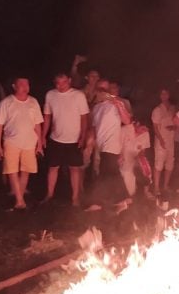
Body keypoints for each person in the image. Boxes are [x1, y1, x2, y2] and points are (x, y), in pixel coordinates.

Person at [0, 77, 43, 210]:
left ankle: (19, 199)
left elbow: (37, 124)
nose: (24, 86)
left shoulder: (33, 102)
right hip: (11, 141)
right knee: (12, 170)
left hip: (29, 142)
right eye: (21, 84)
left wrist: (39, 143)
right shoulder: (6, 103)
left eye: (26, 84)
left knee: (26, 170)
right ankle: (20, 201)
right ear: (14, 86)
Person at [42, 72, 89, 206]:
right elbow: (47, 117)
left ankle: (75, 198)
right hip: (56, 138)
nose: (61, 86)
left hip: (74, 139)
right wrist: (43, 136)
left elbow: (84, 117)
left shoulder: (78, 95)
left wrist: (83, 136)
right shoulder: (50, 95)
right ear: (54, 82)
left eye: (64, 82)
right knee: (53, 167)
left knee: (74, 168)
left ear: (69, 80)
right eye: (58, 83)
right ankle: (49, 195)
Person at [86, 79, 132, 212]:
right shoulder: (96, 108)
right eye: (100, 89)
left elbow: (127, 120)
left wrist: (117, 103)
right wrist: (90, 144)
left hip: (111, 143)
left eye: (105, 89)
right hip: (101, 145)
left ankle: (97, 202)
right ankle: (124, 199)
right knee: (111, 172)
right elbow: (95, 128)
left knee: (105, 172)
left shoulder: (116, 105)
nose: (102, 92)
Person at [151, 89, 176, 197]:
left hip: (171, 140)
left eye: (166, 93)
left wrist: (174, 127)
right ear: (160, 96)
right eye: (162, 93)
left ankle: (165, 186)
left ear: (169, 95)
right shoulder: (157, 110)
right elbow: (155, 127)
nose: (164, 95)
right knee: (159, 164)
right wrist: (161, 140)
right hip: (161, 141)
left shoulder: (172, 108)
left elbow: (176, 123)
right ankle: (156, 188)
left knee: (169, 164)